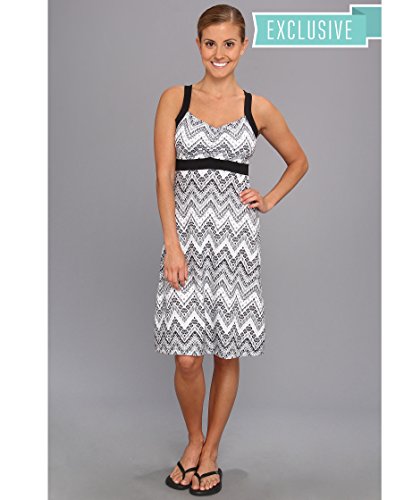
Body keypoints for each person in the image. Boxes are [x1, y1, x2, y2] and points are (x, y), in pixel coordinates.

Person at [152, 4, 308, 495]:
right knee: (186, 358)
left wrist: (269, 198)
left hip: (235, 244)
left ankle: (211, 450)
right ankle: (194, 438)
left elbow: (298, 160)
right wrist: (171, 244)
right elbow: (163, 176)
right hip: (186, 242)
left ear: (243, 46)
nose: (219, 53)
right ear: (198, 45)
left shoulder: (256, 107)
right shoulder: (174, 99)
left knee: (226, 350)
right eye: (210, 43)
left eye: (229, 43)